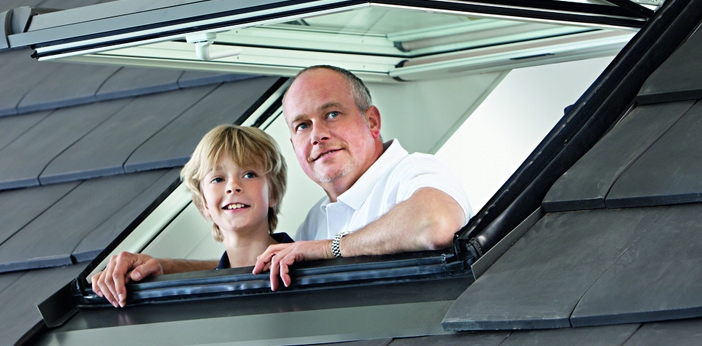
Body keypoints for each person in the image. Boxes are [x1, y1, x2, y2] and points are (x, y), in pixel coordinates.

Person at [251, 65, 472, 290]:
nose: (317, 135)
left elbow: (435, 224)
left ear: (372, 122)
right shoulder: (314, 221)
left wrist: (329, 248)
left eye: (332, 114)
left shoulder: (413, 170)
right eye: (302, 126)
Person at [91, 124, 290, 307]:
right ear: (204, 204)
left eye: (249, 175)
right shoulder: (200, 296)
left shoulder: (303, 264)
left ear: (273, 192)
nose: (233, 186)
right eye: (217, 179)